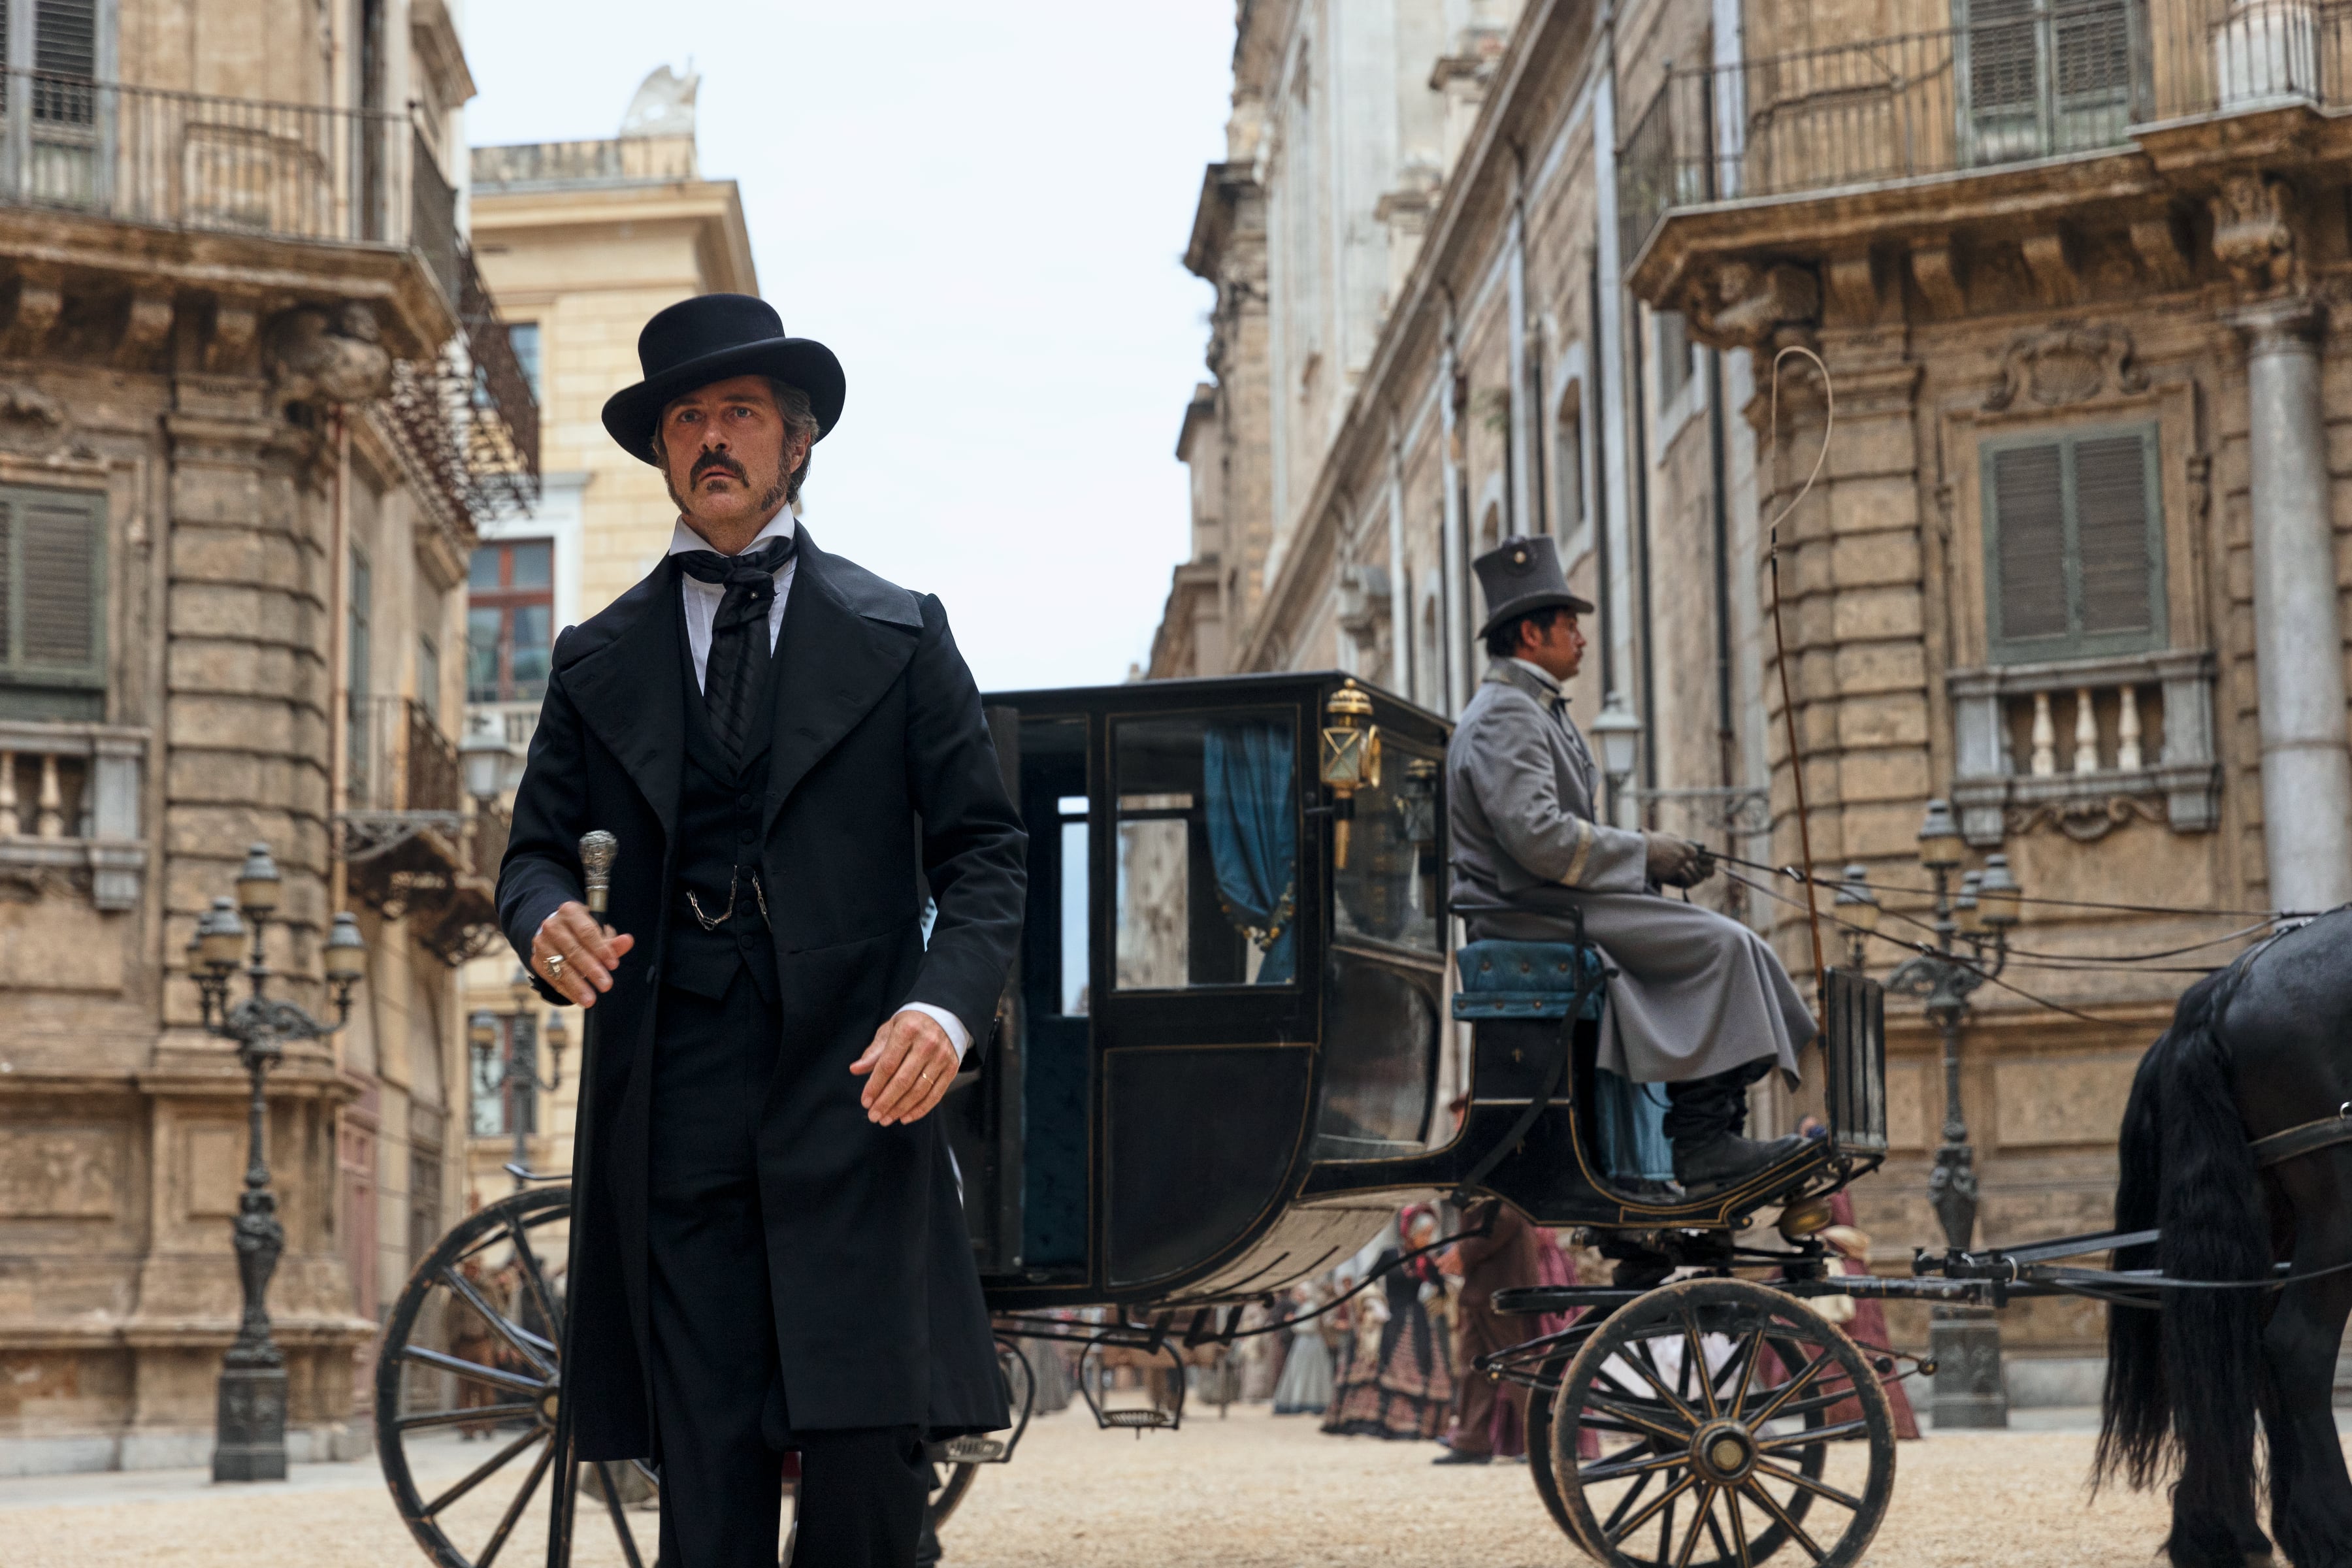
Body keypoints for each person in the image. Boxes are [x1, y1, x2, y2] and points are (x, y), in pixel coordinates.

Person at [498, 293, 1026, 1568]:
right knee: (709, 1486)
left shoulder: (902, 635)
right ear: (665, 450)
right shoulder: (593, 660)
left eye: (740, 414)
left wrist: (944, 1008)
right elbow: (530, 854)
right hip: (674, 1103)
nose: (712, 438)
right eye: (688, 418)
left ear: (798, 445)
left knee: (864, 1484)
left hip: (858, 1090)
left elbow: (987, 853)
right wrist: (545, 915)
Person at [1446, 536, 1816, 1188]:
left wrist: (1650, 858)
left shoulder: (1528, 709)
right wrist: (1647, 851)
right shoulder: (1506, 717)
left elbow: (1559, 832)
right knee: (1723, 946)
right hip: (1532, 913)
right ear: (1531, 634)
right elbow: (1540, 838)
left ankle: (1717, 1126)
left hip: (1557, 902)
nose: (1582, 640)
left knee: (1741, 945)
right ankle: (1704, 1145)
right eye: (1570, 627)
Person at [1324, 1207, 1454, 1440]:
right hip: (1388, 1316)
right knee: (1377, 1364)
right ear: (1409, 1232)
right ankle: (1370, 1419)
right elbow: (1369, 1279)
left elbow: (1443, 1288)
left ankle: (1412, 1424)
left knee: (1421, 1363)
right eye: (1423, 1233)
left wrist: (1437, 1299)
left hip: (1417, 1319)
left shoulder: (1427, 1261)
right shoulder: (1390, 1255)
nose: (1427, 1238)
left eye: (1430, 1233)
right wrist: (1370, 1303)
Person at [1435, 1197, 1546, 1464]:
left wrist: (1464, 1252)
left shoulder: (1500, 1185)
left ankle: (1546, 1438)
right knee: (1473, 1365)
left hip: (1500, 1286)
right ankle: (1471, 1441)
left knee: (1513, 1363)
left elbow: (1504, 1218)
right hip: (1481, 1288)